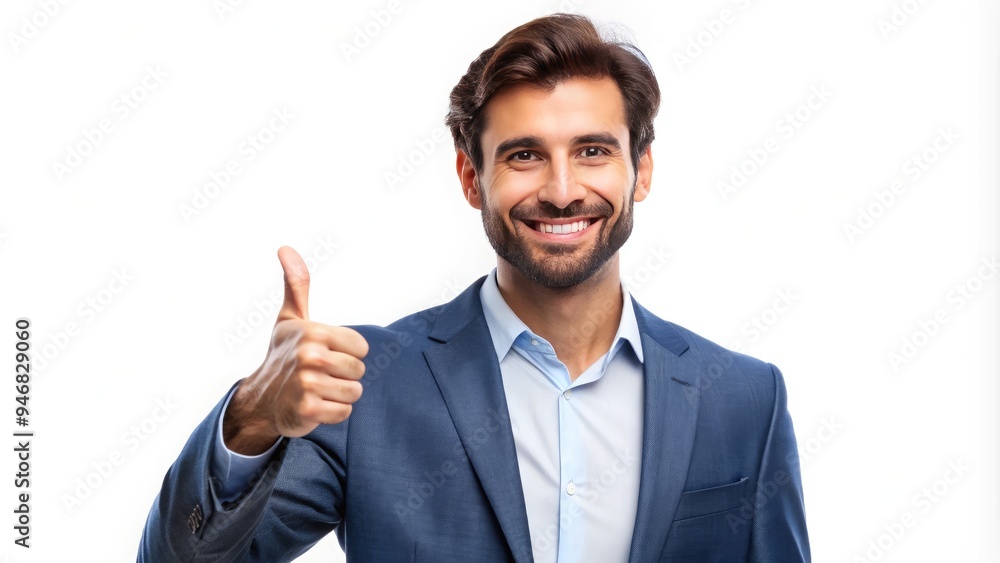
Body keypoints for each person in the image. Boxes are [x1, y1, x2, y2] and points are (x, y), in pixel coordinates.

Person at [138, 13, 810, 562]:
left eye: (593, 150)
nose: (562, 189)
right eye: (524, 155)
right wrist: (252, 418)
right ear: (470, 177)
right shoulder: (365, 385)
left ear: (642, 170)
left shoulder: (744, 401)